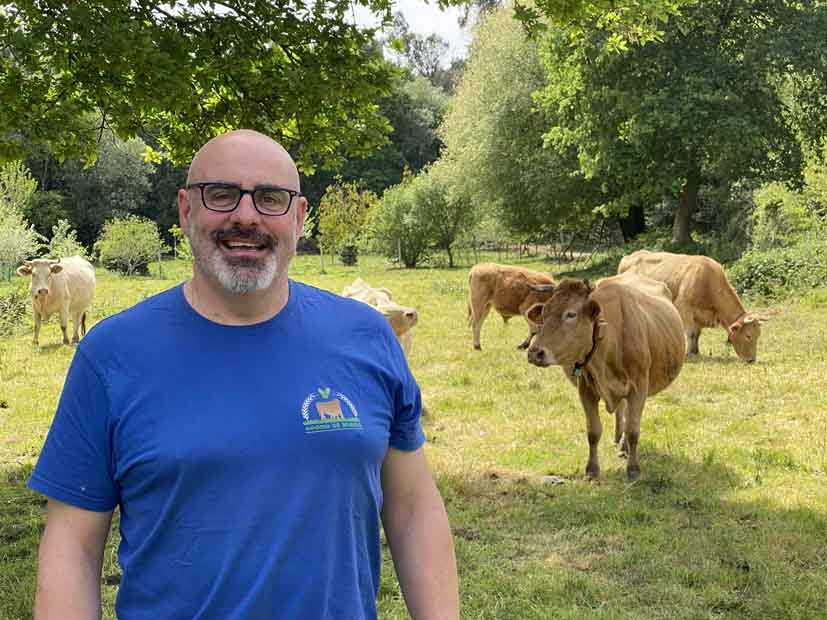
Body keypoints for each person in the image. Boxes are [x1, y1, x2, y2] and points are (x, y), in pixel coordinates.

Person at [28, 129, 459, 619]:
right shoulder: (111, 355)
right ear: (186, 210)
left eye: (271, 198)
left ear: (298, 218)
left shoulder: (368, 337)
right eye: (222, 194)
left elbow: (413, 511)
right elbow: (71, 549)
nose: (246, 216)